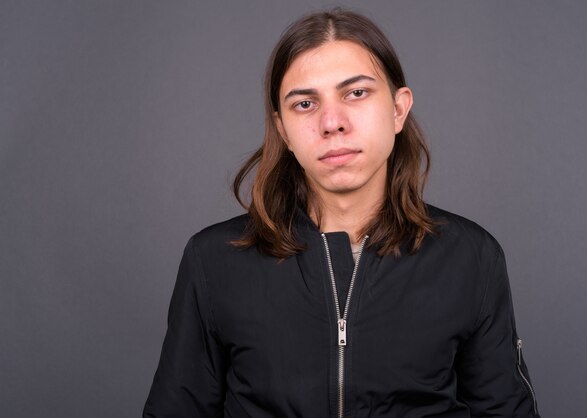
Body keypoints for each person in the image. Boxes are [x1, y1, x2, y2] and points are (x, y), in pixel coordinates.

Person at [143, 8, 540, 418]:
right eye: (305, 103)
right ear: (283, 131)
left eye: (356, 93)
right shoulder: (214, 260)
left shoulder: (471, 258)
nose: (331, 122)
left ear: (399, 109)